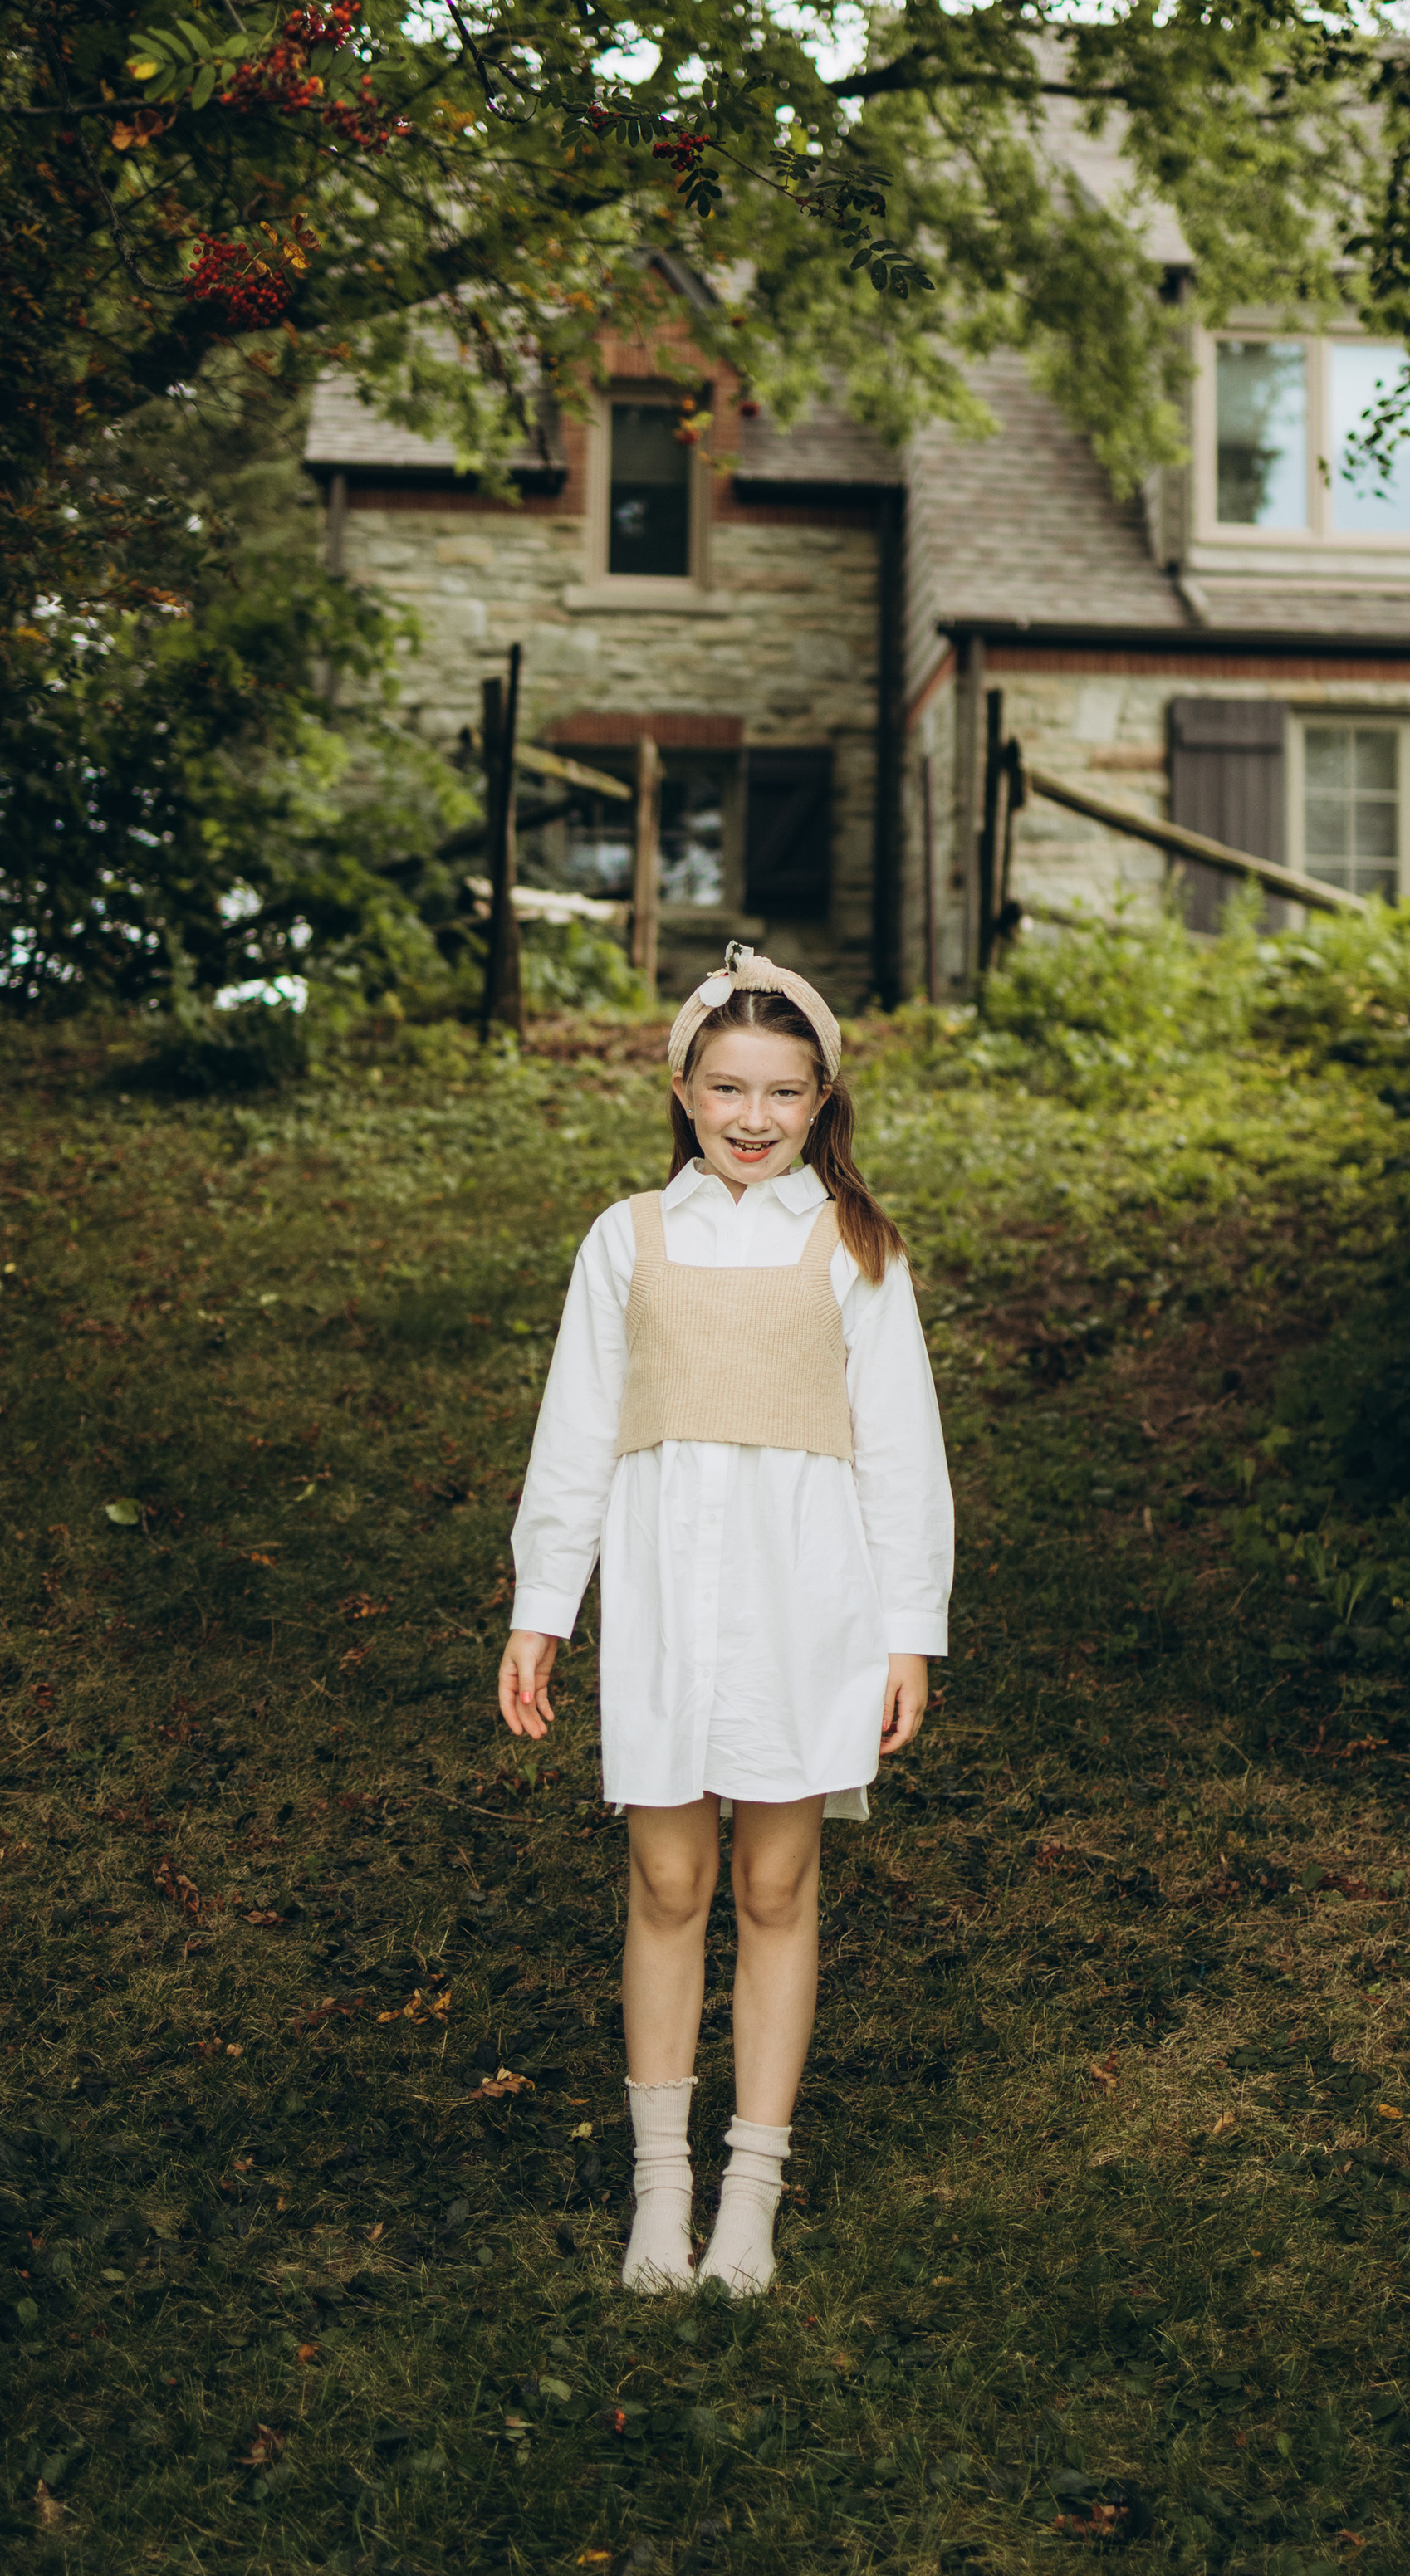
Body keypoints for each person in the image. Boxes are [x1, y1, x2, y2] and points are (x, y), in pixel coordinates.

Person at [497, 941, 953, 2296]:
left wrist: (907, 1627)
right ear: (685, 1091)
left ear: (822, 1103)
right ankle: (661, 2188)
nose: (755, 1117)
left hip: (804, 1608)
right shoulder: (627, 1241)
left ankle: (749, 2191)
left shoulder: (852, 1246)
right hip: (661, 1606)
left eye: (785, 1092)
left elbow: (903, 1451)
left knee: (773, 1884)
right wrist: (543, 1609)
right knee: (669, 1881)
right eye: (729, 1088)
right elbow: (575, 1436)